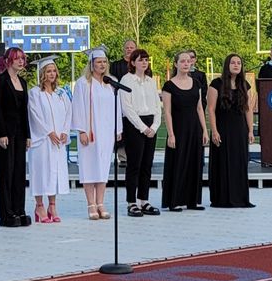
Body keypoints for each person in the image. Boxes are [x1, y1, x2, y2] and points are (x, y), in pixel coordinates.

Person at [71, 46, 123, 220]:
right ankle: (90, 204)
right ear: (91, 64)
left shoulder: (111, 83)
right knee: (89, 166)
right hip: (90, 131)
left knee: (103, 167)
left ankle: (101, 202)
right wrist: (81, 130)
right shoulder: (83, 83)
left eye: (104, 62)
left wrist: (118, 128)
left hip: (106, 132)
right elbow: (77, 107)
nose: (102, 65)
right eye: (98, 62)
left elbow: (117, 107)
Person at [161, 51, 209, 212]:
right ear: (176, 64)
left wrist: (204, 130)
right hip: (178, 129)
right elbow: (167, 111)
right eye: (182, 61)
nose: (186, 64)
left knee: (194, 163)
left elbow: (200, 108)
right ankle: (174, 200)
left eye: (188, 61)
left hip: (194, 128)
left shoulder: (196, 83)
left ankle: (192, 201)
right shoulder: (169, 85)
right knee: (178, 163)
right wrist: (171, 134)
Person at [27, 55, 71, 223]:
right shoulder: (35, 93)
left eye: (54, 71)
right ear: (42, 74)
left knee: (55, 172)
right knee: (41, 172)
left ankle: (52, 205)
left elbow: (69, 113)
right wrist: (48, 132)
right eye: (48, 71)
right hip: (42, 141)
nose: (52, 74)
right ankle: (39, 206)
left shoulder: (61, 93)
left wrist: (65, 131)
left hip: (58, 141)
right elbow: (35, 115)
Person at [208, 54, 255, 208]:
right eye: (233, 62)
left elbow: (248, 109)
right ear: (227, 65)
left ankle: (240, 198)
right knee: (223, 162)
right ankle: (222, 198)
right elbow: (211, 109)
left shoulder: (244, 85)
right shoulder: (216, 84)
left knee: (239, 162)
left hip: (239, 129)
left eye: (239, 63)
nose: (236, 65)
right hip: (222, 128)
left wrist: (250, 130)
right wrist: (214, 130)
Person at [0, 47, 31, 227]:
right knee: (7, 172)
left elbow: (25, 111)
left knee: (19, 173)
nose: (21, 62)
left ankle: (19, 209)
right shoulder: (0, 81)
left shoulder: (22, 82)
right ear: (8, 60)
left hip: (20, 132)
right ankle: (6, 213)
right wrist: (0, 133)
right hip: (6, 132)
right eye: (17, 59)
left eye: (22, 59)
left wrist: (28, 135)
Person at [120, 48, 161, 217]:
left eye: (146, 60)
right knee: (134, 165)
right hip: (135, 125)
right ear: (132, 62)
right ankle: (131, 202)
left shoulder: (151, 81)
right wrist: (142, 127)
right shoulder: (127, 80)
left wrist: (155, 126)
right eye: (140, 60)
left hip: (151, 123)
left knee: (147, 164)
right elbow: (127, 108)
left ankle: (144, 200)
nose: (144, 62)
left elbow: (158, 106)